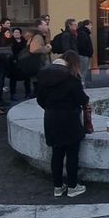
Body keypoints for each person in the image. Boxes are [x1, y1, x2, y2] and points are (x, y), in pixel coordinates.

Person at [35, 50, 89, 198]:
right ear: (74, 63)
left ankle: (57, 187)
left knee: (57, 154)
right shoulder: (72, 78)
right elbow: (82, 100)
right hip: (70, 119)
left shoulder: (44, 77)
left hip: (51, 118)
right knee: (72, 154)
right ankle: (72, 186)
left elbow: (39, 99)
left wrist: (50, 108)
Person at [8, 28, 32, 100]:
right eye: (15, 32)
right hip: (14, 62)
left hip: (24, 62)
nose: (16, 33)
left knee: (27, 78)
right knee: (13, 79)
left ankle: (28, 93)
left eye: (18, 32)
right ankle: (13, 94)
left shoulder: (24, 41)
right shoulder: (10, 41)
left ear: (21, 33)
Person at [77, 19, 94, 84]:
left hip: (85, 55)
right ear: (86, 25)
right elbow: (82, 46)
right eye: (90, 25)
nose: (91, 27)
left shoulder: (84, 33)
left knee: (83, 72)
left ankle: (82, 84)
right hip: (83, 56)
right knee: (82, 72)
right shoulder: (83, 33)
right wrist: (88, 52)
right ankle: (81, 85)